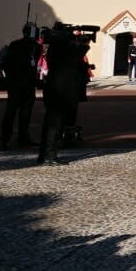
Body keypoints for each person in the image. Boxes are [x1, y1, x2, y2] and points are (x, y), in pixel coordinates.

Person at [37, 25, 91, 166]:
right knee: (54, 125)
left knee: (51, 124)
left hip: (54, 89)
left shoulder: (55, 48)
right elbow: (74, 59)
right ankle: (49, 156)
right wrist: (84, 44)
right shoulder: (62, 48)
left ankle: (45, 155)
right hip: (60, 91)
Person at [0, 23, 42, 149]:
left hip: (20, 84)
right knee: (18, 112)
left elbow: (6, 62)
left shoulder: (18, 45)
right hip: (21, 84)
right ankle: (13, 138)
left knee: (19, 112)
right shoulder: (33, 46)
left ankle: (9, 138)